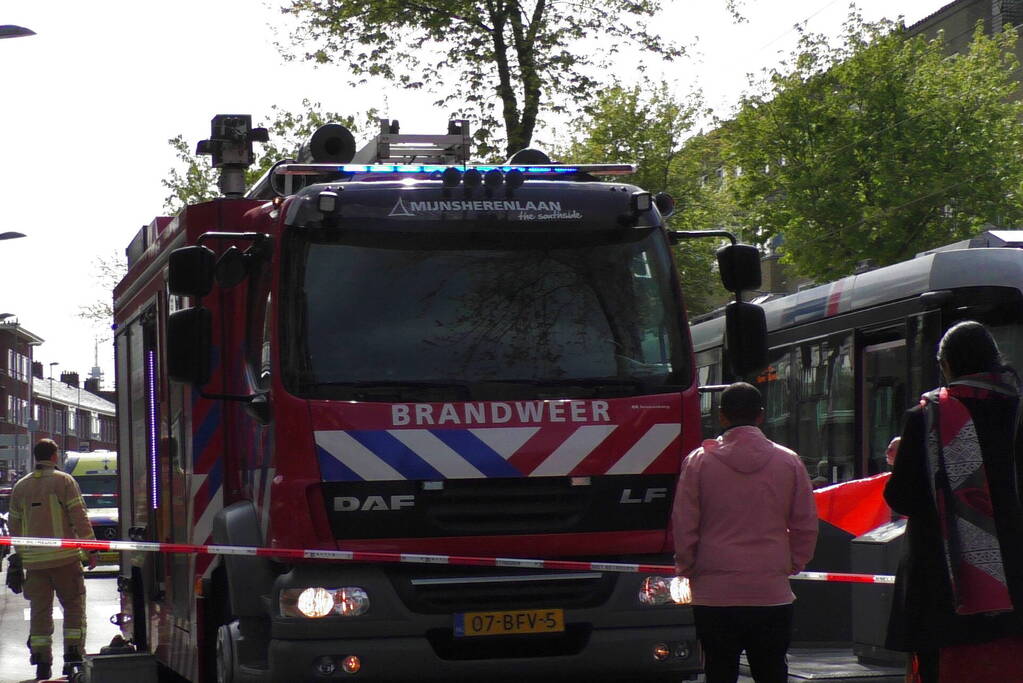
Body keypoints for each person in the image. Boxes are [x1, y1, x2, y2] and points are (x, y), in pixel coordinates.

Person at [884, 321, 1023, 683]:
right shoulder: (1017, 408)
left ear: (946, 364)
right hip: (1016, 575)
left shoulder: (928, 416)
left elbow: (903, 497)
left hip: (943, 580)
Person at [673, 382, 818, 683]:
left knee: (719, 670)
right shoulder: (788, 461)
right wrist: (794, 561)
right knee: (772, 670)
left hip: (714, 591)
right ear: (761, 415)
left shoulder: (699, 462)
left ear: (721, 416)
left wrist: (687, 567)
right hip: (770, 589)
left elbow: (685, 523)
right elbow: (805, 523)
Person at [9, 438, 98, 681]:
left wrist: (21, 555)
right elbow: (79, 517)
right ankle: (72, 657)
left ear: (36, 457)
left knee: (40, 612)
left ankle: (42, 662)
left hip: (35, 564)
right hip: (65, 560)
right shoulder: (64, 481)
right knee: (73, 607)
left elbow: (14, 525)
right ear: (54, 456)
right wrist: (91, 550)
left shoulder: (21, 487)